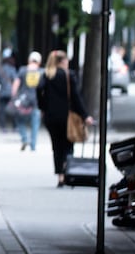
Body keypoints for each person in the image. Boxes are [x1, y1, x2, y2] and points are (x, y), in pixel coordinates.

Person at [36, 50, 93, 187]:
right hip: (66, 117)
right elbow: (76, 97)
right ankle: (67, 172)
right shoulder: (68, 75)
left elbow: (38, 90)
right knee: (68, 145)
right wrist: (85, 115)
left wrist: (43, 107)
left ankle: (60, 175)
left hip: (51, 116)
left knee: (56, 146)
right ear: (62, 61)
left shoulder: (47, 74)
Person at [12, 51, 43, 151]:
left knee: (20, 120)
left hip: (23, 100)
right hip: (37, 101)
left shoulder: (23, 70)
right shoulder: (42, 72)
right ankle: (33, 145)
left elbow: (16, 84)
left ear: (29, 60)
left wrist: (14, 97)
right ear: (39, 62)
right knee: (35, 123)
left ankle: (24, 138)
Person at [0, 53, 18, 132]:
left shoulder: (0, 70)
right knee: (14, 109)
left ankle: (3, 127)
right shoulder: (13, 69)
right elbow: (16, 80)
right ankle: (15, 127)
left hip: (2, 92)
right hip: (11, 91)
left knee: (2, 110)